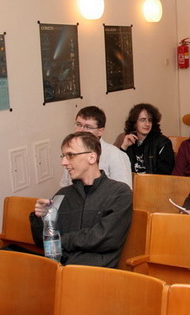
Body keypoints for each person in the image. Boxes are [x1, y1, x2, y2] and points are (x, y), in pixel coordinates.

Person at [30, 132, 132, 267]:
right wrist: (41, 218)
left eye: (70, 155)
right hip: (59, 269)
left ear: (92, 157)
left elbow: (104, 238)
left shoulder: (119, 192)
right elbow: (43, 242)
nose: (63, 162)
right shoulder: (63, 195)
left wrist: (60, 240)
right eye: (63, 156)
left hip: (94, 272)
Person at [60, 106, 132, 189]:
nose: (81, 131)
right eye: (78, 125)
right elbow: (65, 188)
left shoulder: (115, 155)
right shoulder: (71, 153)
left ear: (100, 131)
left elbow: (123, 191)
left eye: (88, 127)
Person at [119, 103, 174, 175]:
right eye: (143, 120)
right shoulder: (129, 140)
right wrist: (124, 147)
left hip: (154, 182)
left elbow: (164, 176)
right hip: (131, 181)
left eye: (150, 120)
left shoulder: (163, 143)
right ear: (134, 123)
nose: (147, 124)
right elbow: (117, 170)